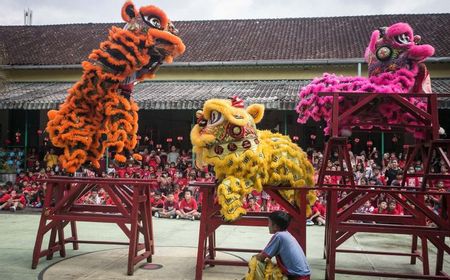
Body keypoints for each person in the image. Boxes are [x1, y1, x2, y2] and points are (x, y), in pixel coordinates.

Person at [245, 211, 311, 280]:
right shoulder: (286, 234)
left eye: (269, 223)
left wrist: (253, 258)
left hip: (297, 278)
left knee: (256, 263)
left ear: (275, 226)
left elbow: (261, 257)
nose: (268, 225)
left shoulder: (279, 236)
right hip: (304, 276)